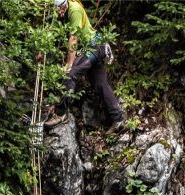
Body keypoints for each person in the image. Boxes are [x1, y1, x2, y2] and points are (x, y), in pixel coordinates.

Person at [44, 0, 125, 133]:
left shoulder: (74, 9)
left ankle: (60, 113)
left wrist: (70, 64)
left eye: (61, 9)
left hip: (93, 46)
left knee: (71, 74)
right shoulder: (58, 11)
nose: (59, 12)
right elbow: (51, 33)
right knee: (100, 84)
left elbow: (73, 39)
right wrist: (42, 52)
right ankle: (118, 118)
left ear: (65, 4)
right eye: (57, 9)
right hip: (88, 48)